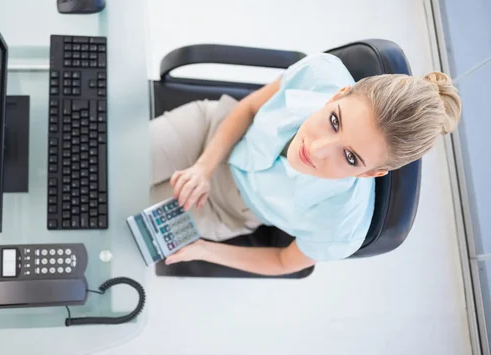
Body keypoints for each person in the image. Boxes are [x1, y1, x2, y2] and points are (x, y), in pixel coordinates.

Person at [150, 53, 462, 276]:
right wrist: (203, 168)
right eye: (335, 121)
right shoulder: (320, 74)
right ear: (338, 95)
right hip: (214, 131)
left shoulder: (342, 226)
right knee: (105, 165)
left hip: (228, 209)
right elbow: (247, 108)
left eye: (350, 157)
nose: (317, 149)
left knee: (112, 218)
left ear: (371, 173)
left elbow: (284, 262)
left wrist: (204, 250)